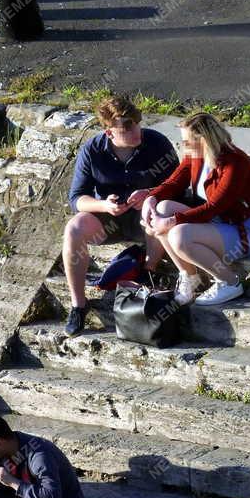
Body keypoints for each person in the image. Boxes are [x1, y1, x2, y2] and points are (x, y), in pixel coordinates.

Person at [62, 94, 178, 337]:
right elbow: (77, 199)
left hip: (146, 220)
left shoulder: (157, 143)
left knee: (156, 209)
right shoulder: (92, 150)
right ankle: (78, 305)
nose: (136, 130)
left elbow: (179, 186)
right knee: (74, 228)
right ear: (109, 133)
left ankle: (149, 271)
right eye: (126, 127)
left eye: (136, 123)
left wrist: (150, 194)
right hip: (109, 220)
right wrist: (104, 205)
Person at [131, 111, 250, 308]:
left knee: (178, 234)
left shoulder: (235, 162)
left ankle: (230, 281)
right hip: (214, 222)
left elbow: (215, 207)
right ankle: (189, 277)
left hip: (243, 229)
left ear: (204, 140)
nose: (183, 146)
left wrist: (170, 222)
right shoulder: (195, 156)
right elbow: (173, 183)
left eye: (186, 141)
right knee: (160, 208)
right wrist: (151, 199)